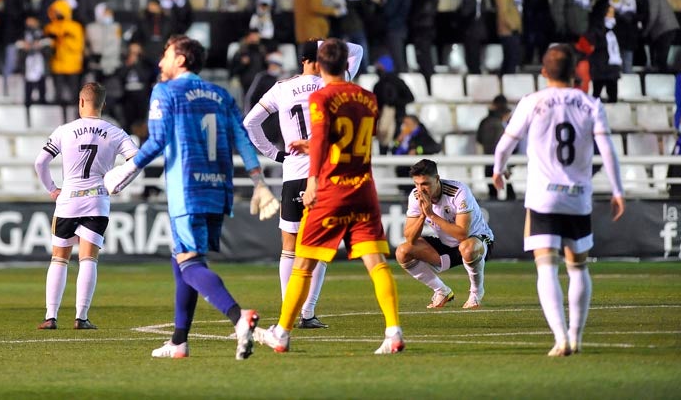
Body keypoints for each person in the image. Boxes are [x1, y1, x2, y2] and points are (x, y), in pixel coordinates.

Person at [104, 35, 274, 359]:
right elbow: (242, 137)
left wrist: (128, 169)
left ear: (180, 59)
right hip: (217, 186)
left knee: (189, 262)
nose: (159, 62)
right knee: (184, 257)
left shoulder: (166, 91)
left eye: (166, 55)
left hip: (186, 188)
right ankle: (179, 341)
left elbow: (157, 140)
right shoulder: (221, 94)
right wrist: (259, 182)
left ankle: (240, 319)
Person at [256, 39, 404, 356]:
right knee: (377, 263)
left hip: (331, 189)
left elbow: (323, 140)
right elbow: (355, 137)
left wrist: (311, 182)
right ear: (347, 65)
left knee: (303, 263)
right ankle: (393, 331)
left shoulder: (321, 96)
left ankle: (281, 332)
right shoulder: (366, 97)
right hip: (364, 187)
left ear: (320, 65)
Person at [493, 44, 625, 356]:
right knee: (578, 268)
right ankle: (577, 338)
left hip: (543, 198)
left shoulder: (532, 102)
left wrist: (498, 170)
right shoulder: (590, 104)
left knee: (546, 267)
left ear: (543, 72)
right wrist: (618, 190)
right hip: (578, 197)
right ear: (576, 72)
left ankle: (560, 338)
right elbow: (607, 150)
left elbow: (504, 145)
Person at [244, 40, 366, 329]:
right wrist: (324, 42)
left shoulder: (282, 88)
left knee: (289, 247)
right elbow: (357, 50)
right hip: (327, 174)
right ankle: (308, 313)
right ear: (322, 57)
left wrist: (275, 154)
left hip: (294, 172)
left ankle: (289, 309)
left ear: (301, 60)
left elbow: (250, 122)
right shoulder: (334, 83)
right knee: (321, 247)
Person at [34, 82, 139, 330]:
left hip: (68, 200)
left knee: (59, 259)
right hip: (97, 199)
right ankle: (81, 317)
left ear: (81, 102)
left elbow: (40, 163)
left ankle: (51, 316)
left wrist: (53, 189)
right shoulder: (115, 132)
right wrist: (120, 182)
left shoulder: (64, 130)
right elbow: (137, 160)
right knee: (88, 259)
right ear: (103, 104)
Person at [397, 159, 495, 310]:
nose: (420, 189)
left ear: (437, 179)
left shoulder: (458, 191)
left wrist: (431, 215)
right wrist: (423, 216)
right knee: (403, 252)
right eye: (416, 184)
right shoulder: (416, 196)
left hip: (477, 242)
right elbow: (410, 238)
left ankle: (476, 292)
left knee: (467, 248)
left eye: (425, 184)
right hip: (448, 246)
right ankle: (442, 291)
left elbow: (463, 234)